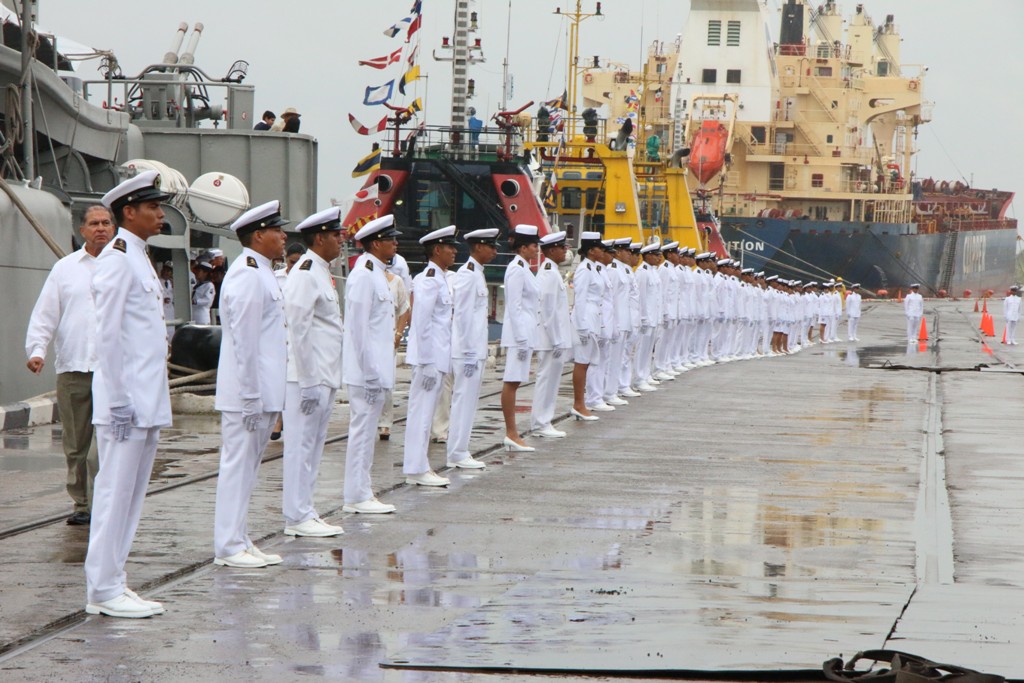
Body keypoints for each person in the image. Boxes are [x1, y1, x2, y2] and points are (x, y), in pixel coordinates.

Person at [84, 170, 172, 618]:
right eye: (153, 207)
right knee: (114, 494)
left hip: (145, 398)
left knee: (131, 496)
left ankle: (114, 580)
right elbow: (108, 335)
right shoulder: (118, 258)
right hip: (126, 401)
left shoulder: (138, 255)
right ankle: (101, 588)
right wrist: (117, 399)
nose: (160, 213)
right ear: (129, 212)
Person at [25, 205, 113, 526]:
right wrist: (37, 350)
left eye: (106, 222)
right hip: (74, 368)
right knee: (76, 444)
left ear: (114, 228)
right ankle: (82, 504)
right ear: (82, 231)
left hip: (112, 371)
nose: (101, 228)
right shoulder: (65, 269)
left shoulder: (126, 267)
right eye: (94, 223)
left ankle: (102, 500)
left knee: (104, 444)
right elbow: (46, 313)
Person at [213, 200, 289, 569]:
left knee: (249, 469)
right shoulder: (246, 273)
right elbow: (243, 341)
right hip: (248, 392)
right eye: (277, 230)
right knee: (236, 467)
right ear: (259, 235)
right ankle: (227, 545)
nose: (284, 236)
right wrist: (250, 396)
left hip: (261, 390)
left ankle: (240, 537)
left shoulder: (261, 271)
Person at [280, 207, 347, 538]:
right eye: (336, 235)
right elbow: (298, 330)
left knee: (314, 445)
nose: (340, 240)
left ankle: (305, 508)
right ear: (320, 238)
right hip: (307, 377)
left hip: (323, 374)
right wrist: (307, 381)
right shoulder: (305, 272)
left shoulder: (321, 271)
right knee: (300, 446)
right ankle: (295, 514)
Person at [342, 215, 401, 514]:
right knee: (362, 433)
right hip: (367, 371)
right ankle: (356, 495)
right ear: (376, 243)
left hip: (376, 369)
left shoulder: (377, 273)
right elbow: (358, 329)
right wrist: (369, 372)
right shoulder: (364, 275)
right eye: (391, 239)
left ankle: (362, 491)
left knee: (367, 434)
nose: (396, 243)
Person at [403, 226, 459, 486]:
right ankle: (416, 468)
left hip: (437, 357)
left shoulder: (440, 278)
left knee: (426, 414)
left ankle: (420, 465)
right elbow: (421, 322)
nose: (454, 251)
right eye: (450, 247)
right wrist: (425, 361)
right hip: (430, 359)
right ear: (437, 250)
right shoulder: (428, 279)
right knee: (421, 413)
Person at [446, 228, 499, 468]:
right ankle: (457, 452)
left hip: (474, 349)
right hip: (467, 350)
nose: (494, 251)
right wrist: (468, 352)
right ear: (478, 246)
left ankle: (461, 449)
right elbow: (464, 316)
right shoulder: (467, 275)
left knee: (469, 401)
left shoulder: (477, 273)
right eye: (490, 246)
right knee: (463, 401)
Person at [500, 224, 541, 451]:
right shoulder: (516, 268)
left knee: (515, 381)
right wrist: (522, 338)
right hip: (519, 335)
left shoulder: (525, 268)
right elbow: (514, 306)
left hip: (525, 332)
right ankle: (511, 433)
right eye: (534, 246)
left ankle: (513, 433)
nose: (537, 250)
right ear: (523, 247)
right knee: (511, 381)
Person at [530, 231, 572, 438]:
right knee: (546, 379)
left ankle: (545, 420)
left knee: (552, 380)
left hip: (555, 338)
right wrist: (556, 340)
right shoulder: (548, 272)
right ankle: (540, 422)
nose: (565, 251)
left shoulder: (553, 271)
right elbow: (547, 310)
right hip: (549, 339)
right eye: (562, 247)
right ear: (552, 250)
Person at [569, 232, 606, 419]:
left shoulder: (593, 268)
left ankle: (581, 404)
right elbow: (580, 298)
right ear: (591, 251)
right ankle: (578, 404)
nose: (602, 251)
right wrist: (582, 326)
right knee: (581, 363)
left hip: (593, 317)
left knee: (586, 362)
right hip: (585, 318)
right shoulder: (584, 270)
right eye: (599, 248)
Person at [377, 262, 411, 441]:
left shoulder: (397, 281)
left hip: (389, 338)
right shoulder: (367, 278)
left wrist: (399, 333)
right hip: (372, 337)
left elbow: (404, 309)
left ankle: (385, 423)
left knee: (386, 383)